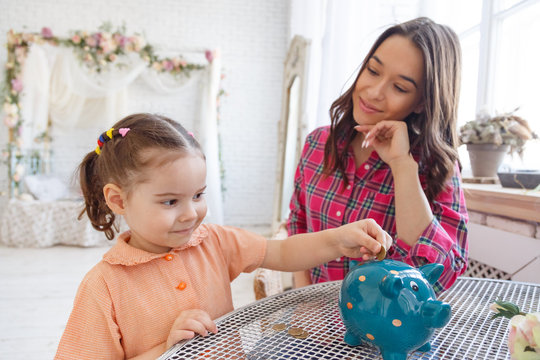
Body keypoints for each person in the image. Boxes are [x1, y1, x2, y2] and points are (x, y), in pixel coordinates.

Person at [55, 113, 392, 359]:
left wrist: (338, 240)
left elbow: (283, 252)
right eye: (170, 201)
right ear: (118, 200)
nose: (191, 213)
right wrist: (166, 350)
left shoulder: (212, 241)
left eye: (198, 195)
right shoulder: (104, 285)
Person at [288, 17, 469, 294]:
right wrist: (304, 301)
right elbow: (298, 226)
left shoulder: (436, 166)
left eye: (399, 88)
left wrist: (401, 165)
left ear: (422, 101)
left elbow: (436, 276)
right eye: (373, 71)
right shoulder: (317, 143)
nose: (373, 92)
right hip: (313, 321)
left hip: (386, 333)